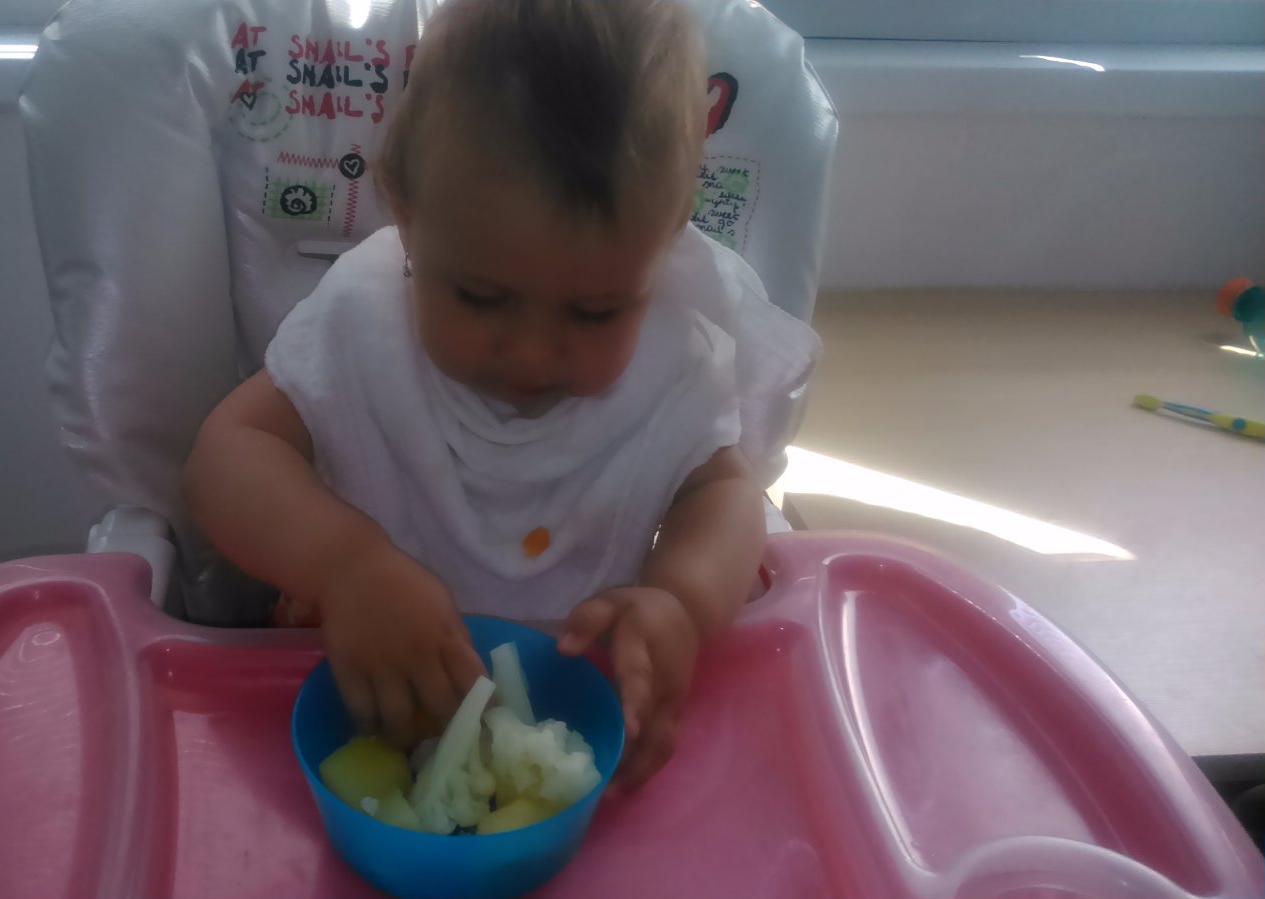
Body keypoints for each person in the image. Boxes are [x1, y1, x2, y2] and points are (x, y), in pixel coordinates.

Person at [185, 0, 817, 788]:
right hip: (357, 708)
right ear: (405, 211)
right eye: (481, 298)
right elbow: (225, 456)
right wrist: (342, 567)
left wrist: (681, 603)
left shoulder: (673, 360)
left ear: (662, 246)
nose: (532, 350)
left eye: (594, 311)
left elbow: (723, 492)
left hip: (578, 720)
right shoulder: (362, 322)